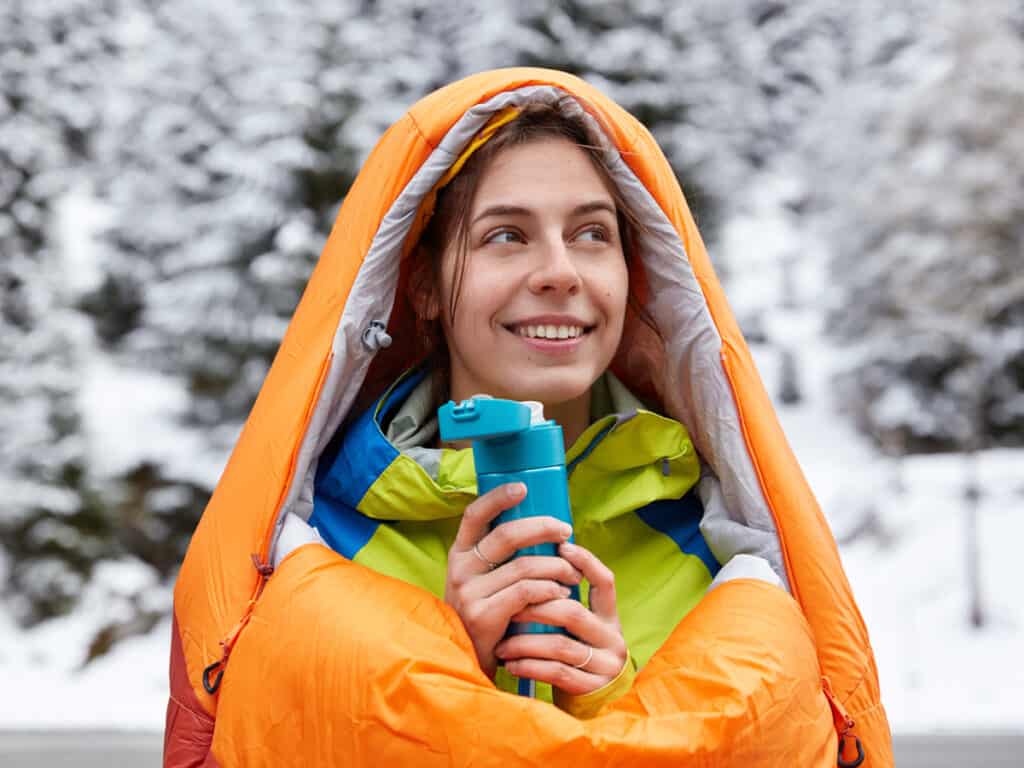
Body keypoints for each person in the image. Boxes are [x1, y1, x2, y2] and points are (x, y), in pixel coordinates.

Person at [165, 69, 893, 767]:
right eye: (506, 235)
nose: (560, 271)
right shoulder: (313, 551)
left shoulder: (723, 552)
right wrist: (447, 669)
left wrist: (613, 696)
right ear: (421, 285)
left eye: (591, 234)